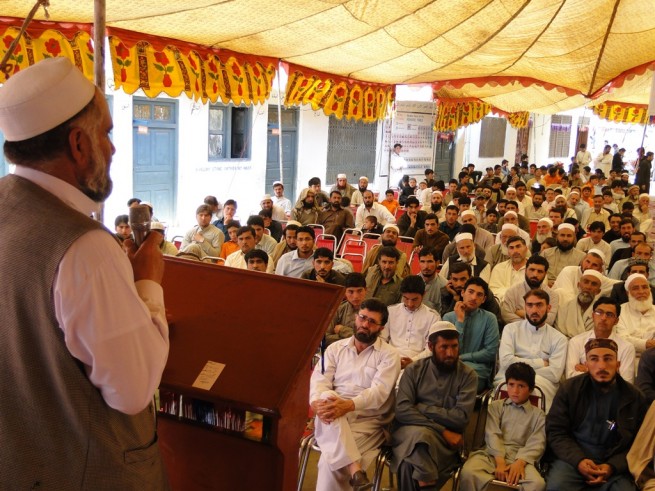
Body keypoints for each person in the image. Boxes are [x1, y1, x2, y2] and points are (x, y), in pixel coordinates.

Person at [0, 57, 169, 486]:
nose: (112, 148)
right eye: (106, 133)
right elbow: (132, 390)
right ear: (78, 144)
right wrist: (147, 282)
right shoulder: (86, 248)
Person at [310, 298, 401, 491]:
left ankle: (352, 468)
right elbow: (319, 380)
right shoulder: (335, 348)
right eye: (362, 318)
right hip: (330, 414)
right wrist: (316, 402)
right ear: (356, 317)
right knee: (327, 397)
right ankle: (355, 469)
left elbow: (380, 393)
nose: (365, 324)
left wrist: (348, 405)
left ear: (381, 328)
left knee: (330, 464)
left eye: (372, 322)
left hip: (367, 421)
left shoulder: (389, 355)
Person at [545, 338, 647, 490]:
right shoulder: (570, 389)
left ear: (618, 364)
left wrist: (612, 466)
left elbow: (639, 445)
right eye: (594, 359)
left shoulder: (634, 397)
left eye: (608, 359)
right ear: (586, 364)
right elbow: (556, 432)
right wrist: (579, 460)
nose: (602, 366)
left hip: (614, 463)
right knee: (557, 487)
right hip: (572, 460)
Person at [391, 322, 478, 490]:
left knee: (408, 465)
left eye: (454, 346)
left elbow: (461, 419)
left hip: (443, 444)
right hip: (410, 433)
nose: (450, 353)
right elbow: (402, 410)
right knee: (422, 436)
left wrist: (421, 408)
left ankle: (426, 481)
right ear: (430, 346)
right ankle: (427, 481)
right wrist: (442, 430)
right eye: (444, 347)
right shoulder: (413, 370)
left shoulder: (468, 376)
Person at [459, 362, 546, 491]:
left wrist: (520, 462)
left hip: (520, 458)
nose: (515, 391)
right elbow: (492, 433)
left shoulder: (538, 415)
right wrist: (500, 462)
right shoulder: (496, 406)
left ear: (531, 389)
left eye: (521, 386)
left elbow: (537, 443)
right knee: (468, 472)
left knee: (537, 484)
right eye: (511, 385)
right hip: (492, 454)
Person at [495, 289, 567, 411]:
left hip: (543, 385)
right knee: (509, 389)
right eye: (530, 305)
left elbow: (554, 374)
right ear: (525, 307)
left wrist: (517, 363)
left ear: (548, 308)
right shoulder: (510, 329)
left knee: (535, 392)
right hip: (507, 380)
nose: (534, 310)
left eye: (539, 305)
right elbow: (506, 362)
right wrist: (541, 363)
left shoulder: (559, 338)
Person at [443, 277, 499, 392]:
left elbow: (490, 353)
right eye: (471, 292)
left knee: (456, 379)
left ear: (484, 299)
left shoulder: (489, 318)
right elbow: (450, 351)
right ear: (463, 293)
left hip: (477, 370)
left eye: (479, 295)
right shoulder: (448, 317)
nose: (474, 298)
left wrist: (462, 358)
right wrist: (459, 321)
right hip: (451, 367)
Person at [566, 297, 635, 383]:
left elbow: (626, 383)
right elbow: (570, 377)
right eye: (599, 312)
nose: (603, 318)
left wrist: (587, 369)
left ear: (616, 321)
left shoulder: (626, 347)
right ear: (593, 316)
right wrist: (612, 372)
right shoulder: (576, 341)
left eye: (609, 314)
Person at [382, 275, 441, 371]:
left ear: (424, 294)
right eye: (406, 298)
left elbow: (431, 348)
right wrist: (390, 358)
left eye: (414, 299)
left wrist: (413, 361)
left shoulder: (433, 317)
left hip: (420, 364)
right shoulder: (391, 311)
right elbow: (382, 339)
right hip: (389, 359)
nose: (410, 304)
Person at [501, 255, 559, 326]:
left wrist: (522, 313)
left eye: (540, 271)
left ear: (545, 274)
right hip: (517, 333)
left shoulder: (552, 295)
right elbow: (507, 317)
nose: (535, 274)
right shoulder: (512, 292)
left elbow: (549, 321)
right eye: (532, 270)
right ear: (525, 270)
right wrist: (536, 318)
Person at [555, 269, 603, 338]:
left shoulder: (602, 313)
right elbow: (558, 336)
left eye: (594, 284)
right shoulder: (563, 308)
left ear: (598, 291)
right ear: (578, 285)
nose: (588, 287)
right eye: (586, 282)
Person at [616, 273, 655, 357]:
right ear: (627, 293)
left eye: (645, 287)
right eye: (635, 288)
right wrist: (647, 344)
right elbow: (622, 339)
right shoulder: (619, 311)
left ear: (650, 290)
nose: (641, 292)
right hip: (627, 358)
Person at [325, 273, 367, 346]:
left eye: (359, 291)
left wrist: (342, 330)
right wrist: (355, 339)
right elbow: (326, 338)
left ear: (366, 290)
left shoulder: (372, 310)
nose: (355, 296)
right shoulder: (338, 309)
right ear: (344, 292)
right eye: (351, 292)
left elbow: (368, 339)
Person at [489, 236, 529, 303]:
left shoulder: (535, 268)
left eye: (518, 246)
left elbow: (538, 292)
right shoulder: (499, 268)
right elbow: (494, 290)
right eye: (511, 248)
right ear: (508, 252)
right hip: (503, 307)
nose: (515, 251)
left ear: (526, 249)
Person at [417, 247, 447, 313]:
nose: (426, 266)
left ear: (438, 263)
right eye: (422, 261)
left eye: (430, 261)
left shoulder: (444, 286)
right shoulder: (411, 283)